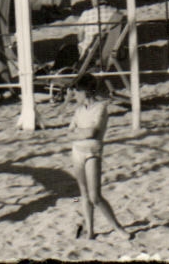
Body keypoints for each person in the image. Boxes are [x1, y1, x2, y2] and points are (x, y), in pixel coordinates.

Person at [68, 74, 134, 241]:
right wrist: (83, 133)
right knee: (84, 194)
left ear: (85, 92)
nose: (75, 95)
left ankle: (118, 228)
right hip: (77, 153)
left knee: (95, 197)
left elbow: (93, 132)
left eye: (77, 91)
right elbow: (70, 132)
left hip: (93, 153)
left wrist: (80, 132)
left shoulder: (101, 108)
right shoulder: (79, 110)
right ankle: (90, 231)